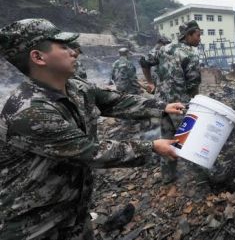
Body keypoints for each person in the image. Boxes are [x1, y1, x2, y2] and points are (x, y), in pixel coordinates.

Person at [0, 18, 186, 240]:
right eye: (64, 47)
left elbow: (114, 101)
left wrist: (161, 106)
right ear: (38, 57)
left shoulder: (75, 87)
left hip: (73, 212)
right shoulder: (28, 111)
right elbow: (90, 152)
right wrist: (152, 147)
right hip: (34, 225)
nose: (74, 52)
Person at [140, 20, 202, 184]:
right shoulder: (190, 54)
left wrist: (150, 83)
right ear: (188, 35)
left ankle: (168, 176)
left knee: (167, 137)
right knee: (191, 138)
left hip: (162, 104)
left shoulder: (162, 49)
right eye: (198, 35)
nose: (200, 39)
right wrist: (198, 105)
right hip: (180, 105)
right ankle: (202, 175)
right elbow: (193, 85)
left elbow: (144, 61)